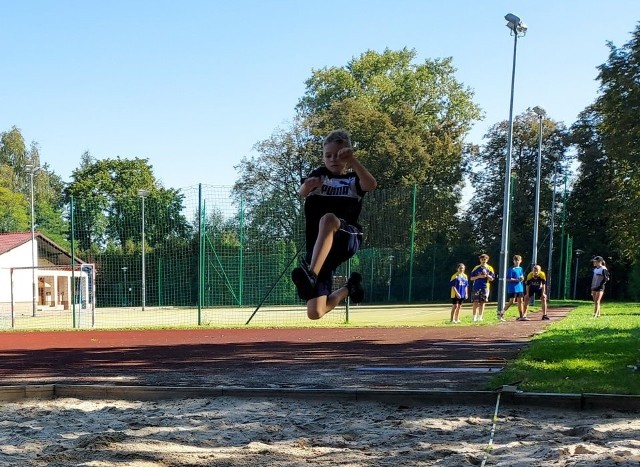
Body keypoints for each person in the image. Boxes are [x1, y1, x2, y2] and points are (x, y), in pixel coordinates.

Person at [291, 129, 377, 320]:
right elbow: (302, 192)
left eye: (338, 155)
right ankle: (350, 287)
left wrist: (354, 160)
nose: (332, 159)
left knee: (328, 219)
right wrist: (308, 186)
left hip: (346, 237)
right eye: (327, 155)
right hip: (320, 252)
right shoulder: (319, 176)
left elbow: (371, 184)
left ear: (346, 156)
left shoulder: (353, 179)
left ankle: (311, 276)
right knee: (315, 312)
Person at [469, 254, 495, 322]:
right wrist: (479, 276)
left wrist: (487, 275)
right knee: (475, 302)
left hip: (485, 287)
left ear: (487, 260)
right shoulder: (476, 267)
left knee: (483, 302)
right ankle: (474, 317)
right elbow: (471, 278)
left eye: (485, 259)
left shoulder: (490, 268)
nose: (483, 261)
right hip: (476, 287)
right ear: (480, 260)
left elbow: (492, 279)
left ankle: (480, 317)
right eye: (482, 259)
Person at [501, 255, 525, 321]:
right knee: (512, 301)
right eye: (516, 260)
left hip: (520, 287)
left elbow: (521, 276)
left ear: (521, 261)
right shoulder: (511, 269)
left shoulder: (520, 268)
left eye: (518, 260)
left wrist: (522, 278)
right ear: (513, 261)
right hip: (513, 288)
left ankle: (521, 316)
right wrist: (516, 280)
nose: (517, 262)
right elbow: (508, 279)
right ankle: (501, 313)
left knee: (521, 301)